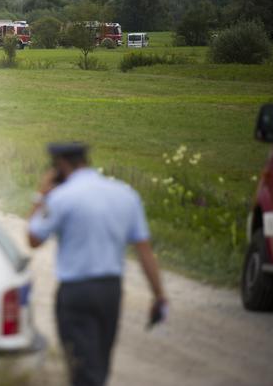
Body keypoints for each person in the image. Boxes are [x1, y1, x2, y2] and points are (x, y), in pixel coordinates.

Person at [28, 142, 167, 386]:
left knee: (82, 368)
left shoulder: (62, 197)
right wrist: (159, 295)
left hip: (76, 292)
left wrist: (41, 195)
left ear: (60, 166)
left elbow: (33, 238)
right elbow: (144, 251)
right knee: (100, 363)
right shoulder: (125, 194)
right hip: (110, 291)